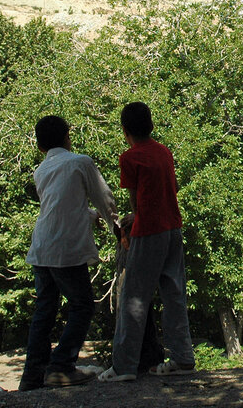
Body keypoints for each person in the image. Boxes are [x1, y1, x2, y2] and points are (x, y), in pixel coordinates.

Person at [19, 115, 119, 390]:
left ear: (40, 147)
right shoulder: (80, 162)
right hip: (65, 248)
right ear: (67, 136)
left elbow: (59, 205)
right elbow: (104, 198)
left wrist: (88, 215)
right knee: (82, 305)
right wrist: (117, 229)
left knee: (45, 309)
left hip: (42, 247)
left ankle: (32, 375)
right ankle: (61, 367)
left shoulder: (41, 170)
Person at [101, 102, 195, 382]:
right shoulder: (164, 151)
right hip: (172, 228)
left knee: (133, 298)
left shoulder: (130, 158)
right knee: (174, 293)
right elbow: (170, 189)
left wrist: (134, 220)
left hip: (148, 232)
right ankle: (183, 358)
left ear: (125, 130)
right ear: (151, 125)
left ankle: (124, 366)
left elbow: (135, 198)